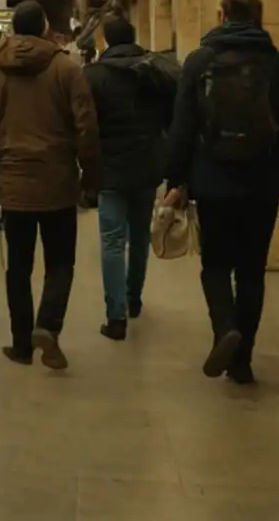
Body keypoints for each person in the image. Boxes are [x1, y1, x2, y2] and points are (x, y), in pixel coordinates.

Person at [162, 0, 279, 384]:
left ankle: (224, 328)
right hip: (262, 182)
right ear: (258, 17)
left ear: (221, 15)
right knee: (251, 271)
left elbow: (182, 127)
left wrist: (175, 178)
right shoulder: (278, 64)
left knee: (214, 265)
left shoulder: (199, 62)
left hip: (212, 182)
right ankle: (242, 360)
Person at [0, 1, 101, 369]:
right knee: (60, 264)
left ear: (12, 30)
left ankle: (22, 344)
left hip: (11, 186)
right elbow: (87, 129)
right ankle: (48, 324)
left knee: (19, 268)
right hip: (58, 184)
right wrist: (91, 179)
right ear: (44, 28)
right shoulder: (67, 69)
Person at [83, 17, 177, 341]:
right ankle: (134, 299)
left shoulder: (93, 76)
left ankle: (116, 316)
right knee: (139, 237)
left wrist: (86, 166)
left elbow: (86, 126)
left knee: (112, 241)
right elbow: (171, 116)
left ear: (106, 41)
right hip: (148, 165)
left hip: (110, 169)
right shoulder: (156, 71)